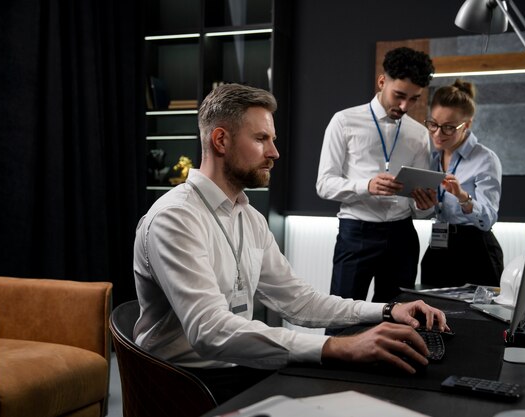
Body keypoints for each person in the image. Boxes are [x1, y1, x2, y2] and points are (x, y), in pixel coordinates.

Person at [133, 83, 449, 404]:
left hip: (236, 366)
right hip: (182, 382)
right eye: (261, 139)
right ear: (220, 140)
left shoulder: (249, 217)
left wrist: (386, 310)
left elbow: (299, 301)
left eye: (273, 140)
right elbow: (211, 331)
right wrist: (337, 346)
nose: (274, 153)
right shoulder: (175, 218)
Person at [316, 47, 435, 313]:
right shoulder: (344, 121)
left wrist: (426, 205)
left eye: (413, 99)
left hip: (402, 236)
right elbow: (324, 184)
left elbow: (421, 208)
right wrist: (366, 186)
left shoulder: (418, 134)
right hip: (357, 233)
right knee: (342, 315)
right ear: (382, 82)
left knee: (399, 320)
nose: (405, 107)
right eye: (399, 96)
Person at [413, 79, 503, 288]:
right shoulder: (432, 158)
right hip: (438, 246)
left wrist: (463, 197)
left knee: (476, 320)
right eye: (433, 124)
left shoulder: (485, 159)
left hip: (476, 250)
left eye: (448, 128)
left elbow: (488, 218)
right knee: (432, 316)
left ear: (467, 124)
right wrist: (424, 205)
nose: (437, 133)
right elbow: (430, 210)